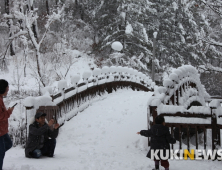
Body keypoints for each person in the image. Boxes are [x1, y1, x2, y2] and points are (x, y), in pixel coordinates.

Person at [0, 79, 14, 170]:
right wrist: (9, 112)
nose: (8, 89)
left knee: (8, 144)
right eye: (7, 88)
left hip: (3, 130)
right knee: (0, 153)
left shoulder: (0, 98)